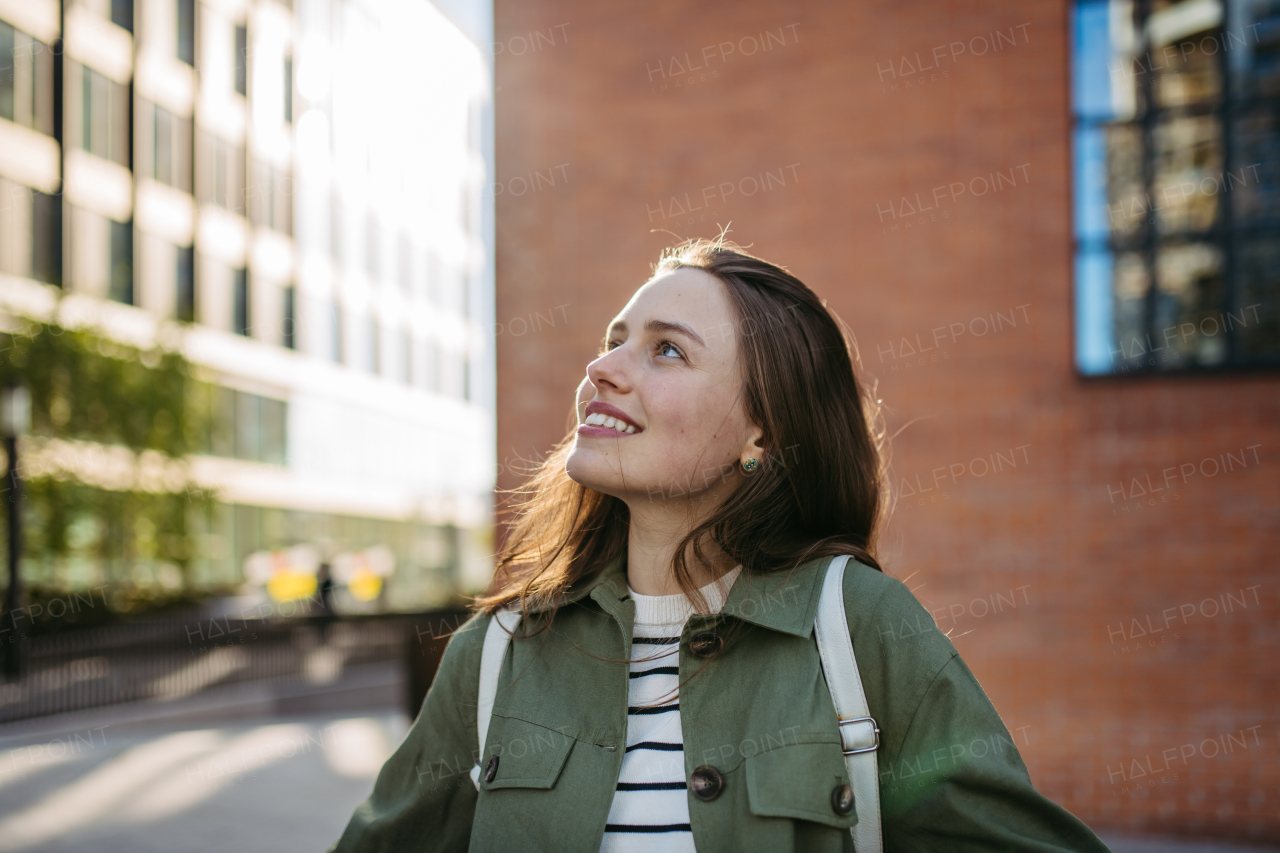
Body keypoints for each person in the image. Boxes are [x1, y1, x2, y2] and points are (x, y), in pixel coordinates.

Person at [328, 239, 1111, 852]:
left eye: (666, 349)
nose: (602, 368)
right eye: (614, 340)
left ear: (761, 430)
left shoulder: (862, 628)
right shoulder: (496, 653)